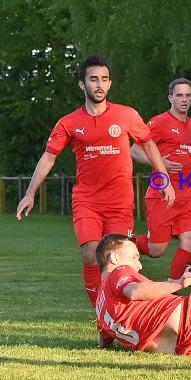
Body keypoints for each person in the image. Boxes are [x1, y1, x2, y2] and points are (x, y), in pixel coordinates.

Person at [15, 54, 175, 310]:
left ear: (110, 84)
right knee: (91, 253)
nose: (99, 84)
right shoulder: (68, 123)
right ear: (82, 84)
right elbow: (48, 157)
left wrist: (163, 176)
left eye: (104, 79)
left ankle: (120, 309)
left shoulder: (127, 115)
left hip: (120, 201)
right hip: (87, 200)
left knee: (118, 259)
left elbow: (148, 143)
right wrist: (30, 193)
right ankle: (102, 313)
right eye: (93, 79)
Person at [130, 78, 191, 280]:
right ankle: (120, 242)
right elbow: (134, 151)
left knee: (190, 239)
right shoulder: (159, 122)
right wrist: (159, 162)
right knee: (156, 249)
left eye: (188, 95)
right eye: (179, 95)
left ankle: (174, 287)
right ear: (171, 98)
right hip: (162, 191)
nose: (184, 99)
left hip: (186, 192)